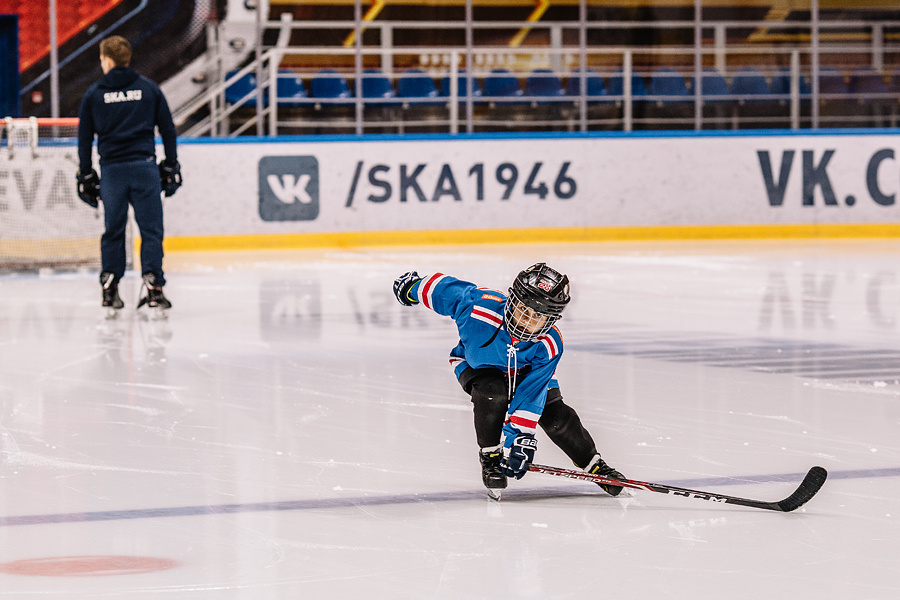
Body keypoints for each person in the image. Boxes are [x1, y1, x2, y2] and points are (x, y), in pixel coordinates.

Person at [393, 263, 625, 498]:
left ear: (551, 320)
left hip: (526, 374)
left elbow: (531, 395)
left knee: (557, 418)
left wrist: (520, 438)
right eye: (523, 310)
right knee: (491, 392)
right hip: (477, 366)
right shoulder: (477, 307)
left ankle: (594, 465)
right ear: (511, 299)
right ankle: (490, 456)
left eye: (538, 317)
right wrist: (411, 287)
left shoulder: (549, 344)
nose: (527, 322)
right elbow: (443, 290)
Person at [76, 35, 182, 312]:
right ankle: (154, 286)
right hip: (145, 170)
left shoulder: (94, 94)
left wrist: (85, 174)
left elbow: (84, 139)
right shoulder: (149, 89)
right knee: (151, 231)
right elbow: (168, 130)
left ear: (107, 60)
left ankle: (110, 287)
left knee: (113, 231)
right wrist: (171, 165)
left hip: (112, 173)